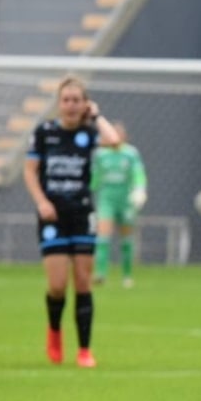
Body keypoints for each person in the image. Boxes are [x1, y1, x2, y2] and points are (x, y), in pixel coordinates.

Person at [23, 75, 121, 368]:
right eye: (66, 100)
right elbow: (30, 171)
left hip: (81, 215)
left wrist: (97, 115)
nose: (71, 105)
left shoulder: (89, 133)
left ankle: (84, 350)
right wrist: (42, 202)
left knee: (82, 281)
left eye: (77, 100)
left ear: (84, 104)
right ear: (59, 103)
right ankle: (54, 331)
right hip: (53, 215)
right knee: (57, 285)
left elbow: (114, 141)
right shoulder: (44, 132)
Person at [90, 121, 148, 288]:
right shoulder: (100, 155)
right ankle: (100, 274)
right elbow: (94, 179)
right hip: (107, 200)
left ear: (124, 137)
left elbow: (138, 173)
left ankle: (127, 275)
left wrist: (140, 189)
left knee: (126, 239)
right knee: (102, 237)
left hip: (126, 201)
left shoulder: (130, 154)